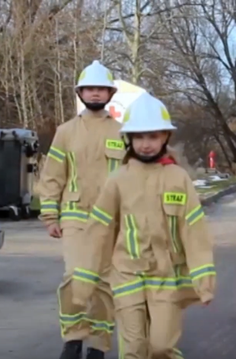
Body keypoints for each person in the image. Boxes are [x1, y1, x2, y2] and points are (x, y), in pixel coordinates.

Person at [70, 93, 216, 359]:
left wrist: (204, 282)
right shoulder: (118, 180)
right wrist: (82, 284)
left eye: (152, 137)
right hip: (127, 275)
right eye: (139, 137)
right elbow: (98, 234)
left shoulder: (178, 179)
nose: (146, 144)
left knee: (161, 346)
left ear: (165, 138)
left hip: (165, 277)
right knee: (134, 349)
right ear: (128, 139)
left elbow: (194, 233)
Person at [37, 60, 122, 359]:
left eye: (101, 89)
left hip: (111, 220)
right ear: (81, 93)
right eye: (90, 89)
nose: (96, 94)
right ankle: (73, 339)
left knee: (104, 282)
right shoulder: (66, 131)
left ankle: (98, 345)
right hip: (74, 216)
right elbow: (52, 176)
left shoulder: (124, 132)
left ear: (110, 93)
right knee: (75, 276)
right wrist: (50, 215)